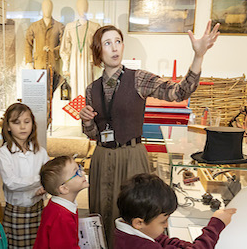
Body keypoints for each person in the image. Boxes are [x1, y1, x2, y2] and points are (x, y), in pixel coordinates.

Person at [79, 22, 220, 245]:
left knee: (138, 216)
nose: (115, 48)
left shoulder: (138, 79)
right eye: (108, 43)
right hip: (100, 159)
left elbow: (178, 92)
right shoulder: (91, 89)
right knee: (102, 214)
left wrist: (198, 56)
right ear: (98, 50)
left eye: (118, 41)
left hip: (132, 157)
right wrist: (86, 120)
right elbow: (93, 133)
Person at [115, 174, 235, 249]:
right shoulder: (142, 246)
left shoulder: (130, 230)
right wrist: (216, 225)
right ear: (139, 223)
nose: (166, 225)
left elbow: (161, 239)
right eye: (163, 221)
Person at [0, 103, 49, 248]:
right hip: (16, 211)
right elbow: (11, 183)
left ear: (32, 124)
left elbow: (50, 175)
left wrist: (45, 187)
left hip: (38, 208)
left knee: (39, 245)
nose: (22, 127)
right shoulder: (4, 153)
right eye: (16, 122)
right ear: (8, 126)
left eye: (27, 122)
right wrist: (40, 181)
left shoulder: (41, 152)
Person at [34, 156, 89, 248]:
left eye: (80, 168)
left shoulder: (58, 205)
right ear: (64, 188)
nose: (83, 172)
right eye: (76, 172)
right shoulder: (62, 217)